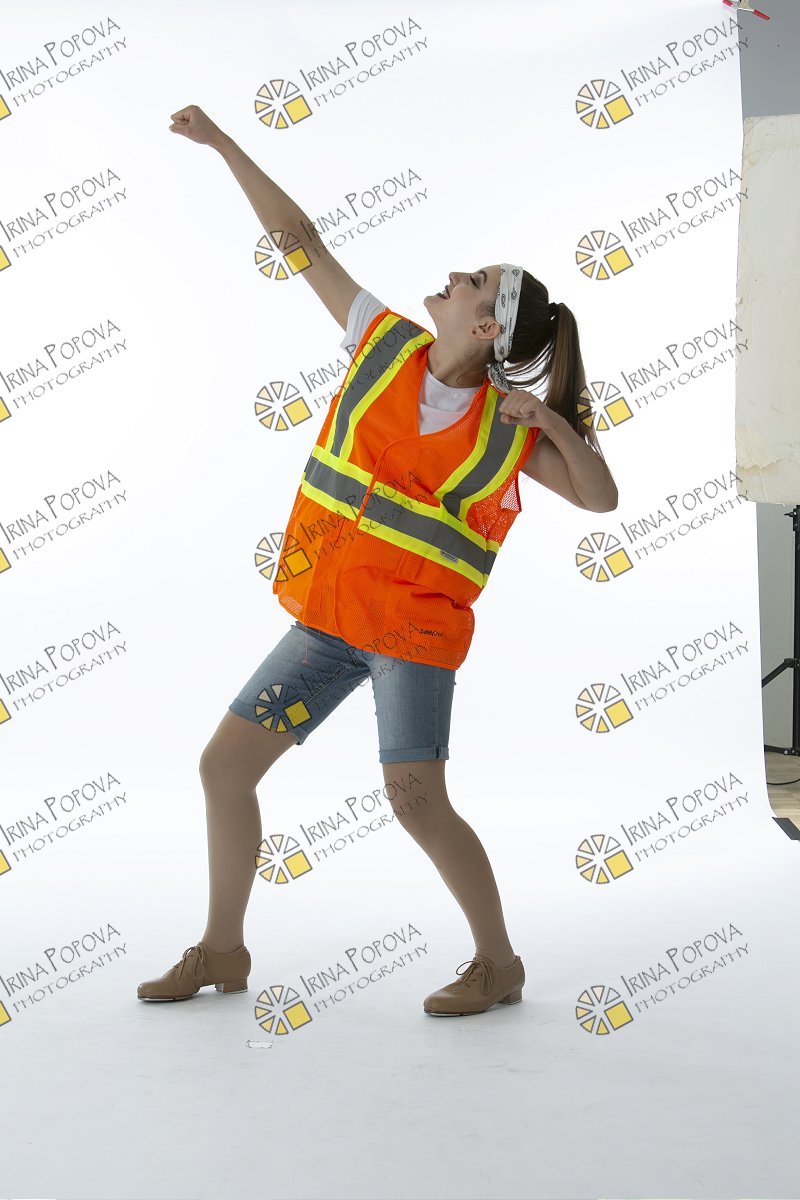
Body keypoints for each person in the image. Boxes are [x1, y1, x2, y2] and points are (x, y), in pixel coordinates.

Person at [137, 105, 619, 1015]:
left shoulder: (507, 427)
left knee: (415, 800)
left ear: (488, 328)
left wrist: (552, 423)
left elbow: (600, 498)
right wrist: (225, 145)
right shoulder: (383, 342)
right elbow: (301, 241)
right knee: (224, 767)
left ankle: (499, 964)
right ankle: (222, 951)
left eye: (475, 282)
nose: (456, 277)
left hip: (410, 637)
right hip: (330, 622)